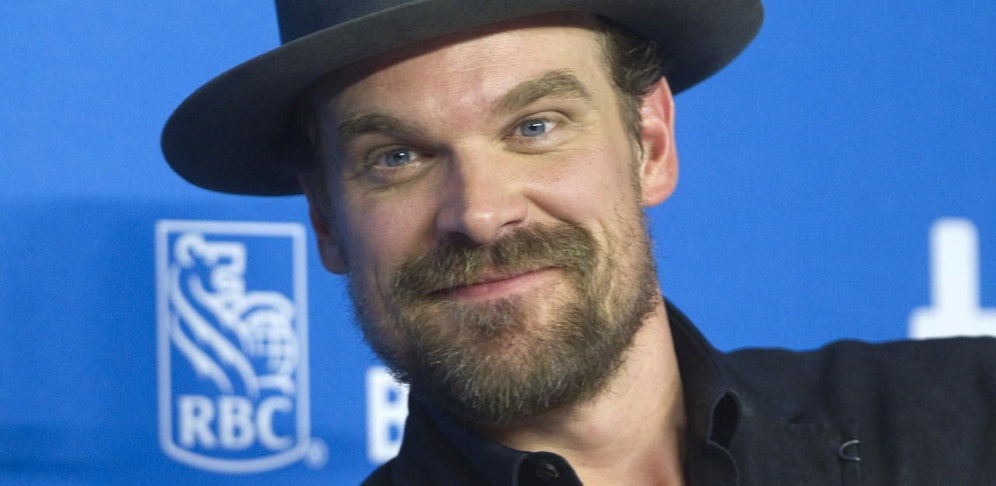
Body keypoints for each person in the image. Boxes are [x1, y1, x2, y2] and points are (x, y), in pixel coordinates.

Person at [161, 1, 996, 484]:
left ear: (652, 146)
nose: (480, 214)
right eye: (397, 157)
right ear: (325, 221)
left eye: (534, 126)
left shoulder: (965, 425)